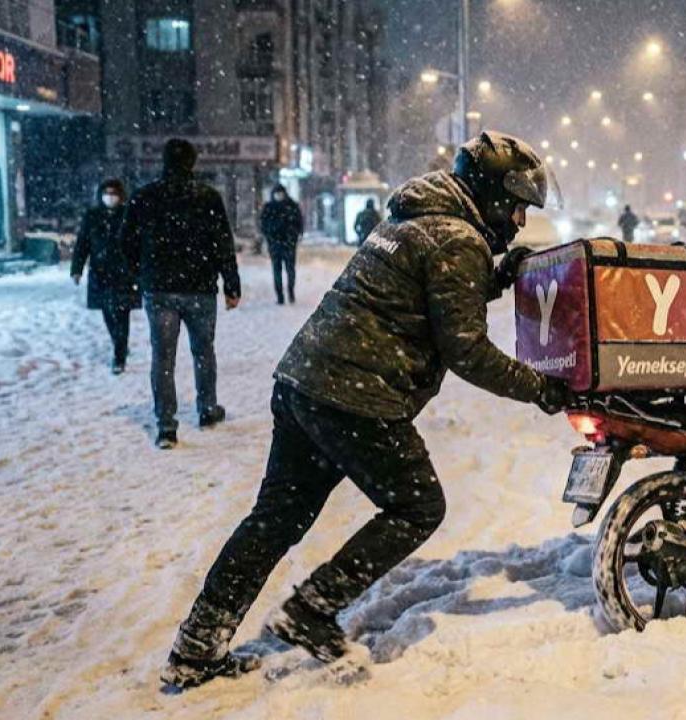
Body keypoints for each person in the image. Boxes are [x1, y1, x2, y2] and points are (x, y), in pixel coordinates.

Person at [160, 131, 573, 690]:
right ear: (493, 193)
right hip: (356, 393)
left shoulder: (416, 218)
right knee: (418, 506)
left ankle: (196, 645)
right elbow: (466, 349)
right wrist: (541, 388)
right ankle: (311, 609)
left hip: (305, 380)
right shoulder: (457, 239)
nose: (520, 220)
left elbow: (426, 295)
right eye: (519, 205)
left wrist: (496, 277)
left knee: (276, 517)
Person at [121, 139, 241, 449]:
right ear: (193, 162)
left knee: (163, 358)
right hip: (200, 288)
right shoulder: (207, 197)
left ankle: (166, 426)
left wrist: (144, 272)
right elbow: (222, 244)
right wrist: (231, 284)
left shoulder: (145, 197)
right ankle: (207, 409)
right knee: (203, 351)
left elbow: (127, 243)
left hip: (159, 288)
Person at [71, 179, 139, 374]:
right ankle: (119, 343)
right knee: (108, 313)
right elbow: (82, 243)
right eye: (106, 193)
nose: (110, 197)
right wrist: (77, 268)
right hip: (100, 273)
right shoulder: (92, 216)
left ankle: (119, 356)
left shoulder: (128, 215)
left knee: (122, 313)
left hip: (124, 273)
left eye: (114, 193)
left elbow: (138, 243)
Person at [259, 185, 304, 304]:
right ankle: (280, 295)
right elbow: (263, 225)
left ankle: (290, 291)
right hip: (277, 244)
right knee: (278, 270)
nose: (279, 196)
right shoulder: (271, 207)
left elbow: (298, 223)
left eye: (280, 193)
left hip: (286, 243)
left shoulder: (291, 206)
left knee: (288, 269)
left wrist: (294, 235)